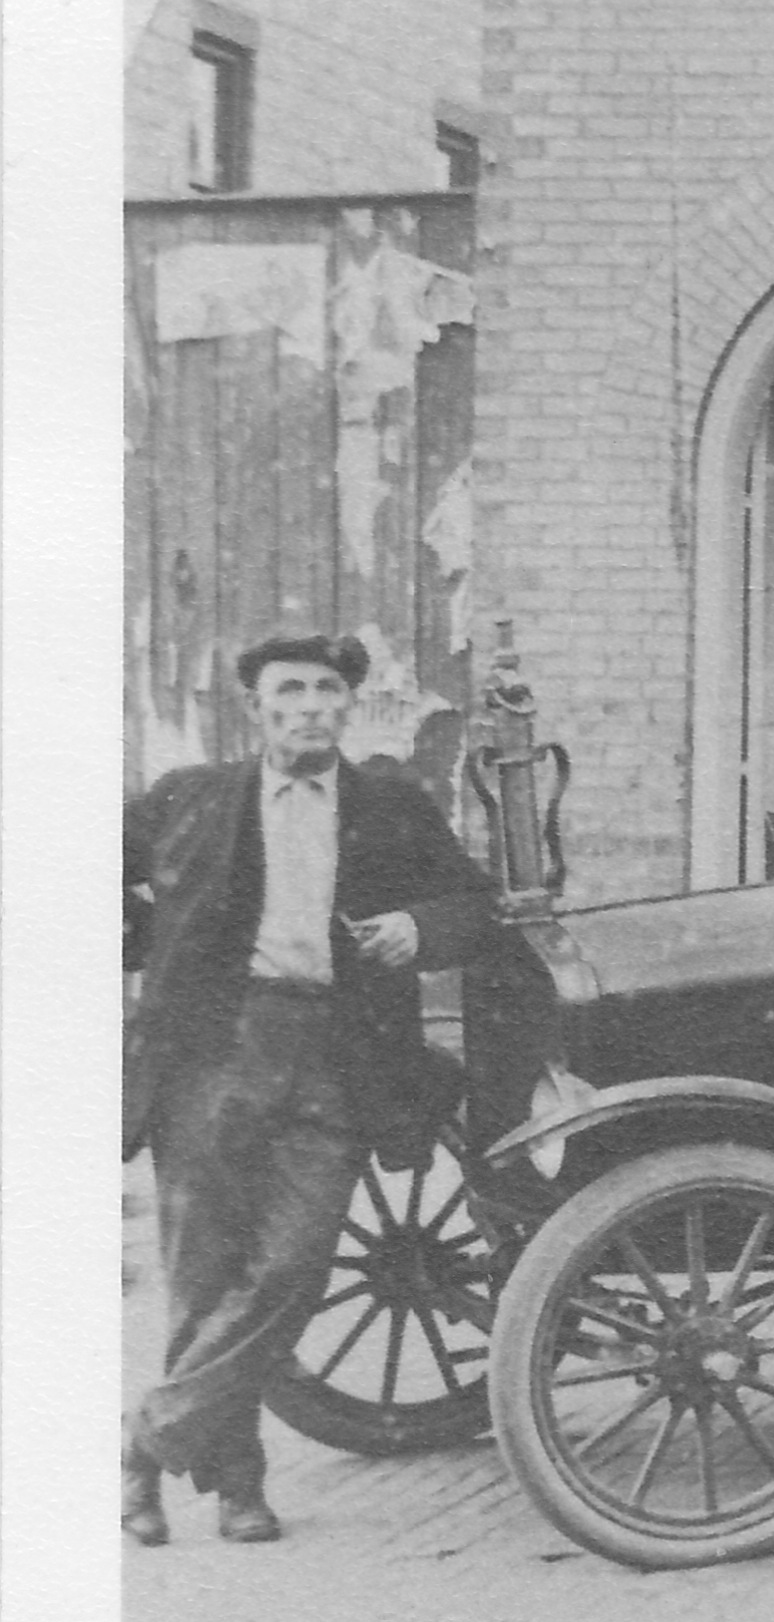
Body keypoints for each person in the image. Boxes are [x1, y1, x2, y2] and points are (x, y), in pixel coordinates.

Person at [122, 633, 503, 1544]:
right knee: (204, 1276)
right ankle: (237, 1487)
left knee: (292, 1269)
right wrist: (153, 946)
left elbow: (472, 905)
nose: (308, 706)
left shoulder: (391, 807)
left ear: (348, 707)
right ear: (255, 708)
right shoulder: (190, 799)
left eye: (327, 689)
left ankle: (144, 1446)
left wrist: (420, 925)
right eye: (288, 689)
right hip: (213, 1053)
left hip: (335, 1055)